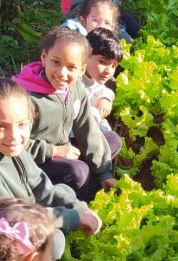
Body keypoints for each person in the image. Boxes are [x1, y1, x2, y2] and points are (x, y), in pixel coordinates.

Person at [0, 73, 102, 261]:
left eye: (22, 124)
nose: (14, 135)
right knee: (53, 242)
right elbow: (12, 222)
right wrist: (72, 218)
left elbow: (43, 188)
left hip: (17, 220)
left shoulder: (14, 150)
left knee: (63, 191)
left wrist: (81, 210)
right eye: (1, 127)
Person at [13, 27, 118, 201]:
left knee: (112, 140)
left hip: (64, 150)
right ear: (44, 57)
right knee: (78, 171)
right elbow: (13, 144)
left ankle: (93, 184)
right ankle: (66, 200)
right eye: (56, 62)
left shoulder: (76, 88)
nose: (62, 73)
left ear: (82, 70)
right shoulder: (24, 97)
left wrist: (104, 174)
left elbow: (87, 129)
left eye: (71, 67)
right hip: (32, 163)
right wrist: (53, 150)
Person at [84, 27, 124, 162]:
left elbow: (101, 89)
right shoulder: (74, 81)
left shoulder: (93, 79)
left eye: (113, 66)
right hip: (72, 139)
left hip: (88, 136)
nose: (108, 71)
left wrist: (106, 97)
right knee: (112, 140)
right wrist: (96, 115)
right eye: (103, 62)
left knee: (113, 141)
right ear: (85, 56)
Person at [61, 0, 136, 43]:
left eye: (107, 23)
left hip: (104, 12)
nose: (101, 26)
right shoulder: (76, 30)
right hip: (87, 11)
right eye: (95, 21)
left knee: (133, 26)